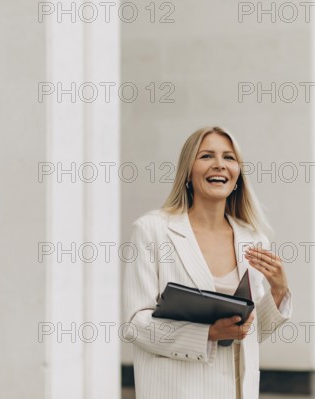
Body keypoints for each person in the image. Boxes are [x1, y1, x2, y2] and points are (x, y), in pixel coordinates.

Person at [122, 126, 293, 399]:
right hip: (176, 390)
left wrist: (279, 292)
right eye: (206, 156)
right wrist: (207, 334)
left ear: (238, 174)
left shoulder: (253, 238)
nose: (219, 165)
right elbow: (135, 325)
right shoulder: (151, 230)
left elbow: (250, 333)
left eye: (229, 157)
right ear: (188, 172)